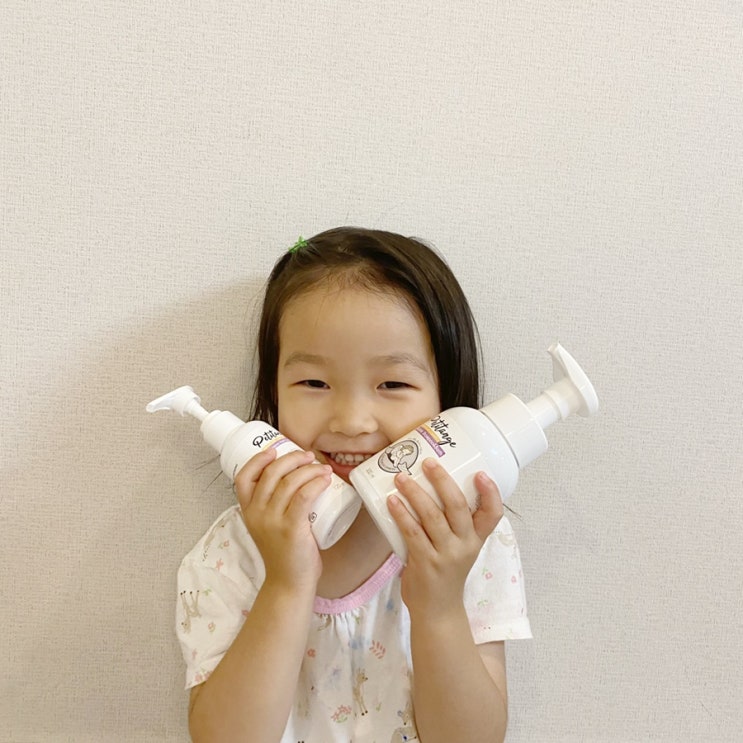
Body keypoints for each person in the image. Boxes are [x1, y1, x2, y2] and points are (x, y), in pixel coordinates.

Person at [177, 227, 532, 742]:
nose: (351, 421)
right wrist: (287, 582)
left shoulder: (469, 543)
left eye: (393, 383)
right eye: (314, 383)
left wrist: (439, 606)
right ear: (272, 395)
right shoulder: (230, 553)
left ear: (448, 402)